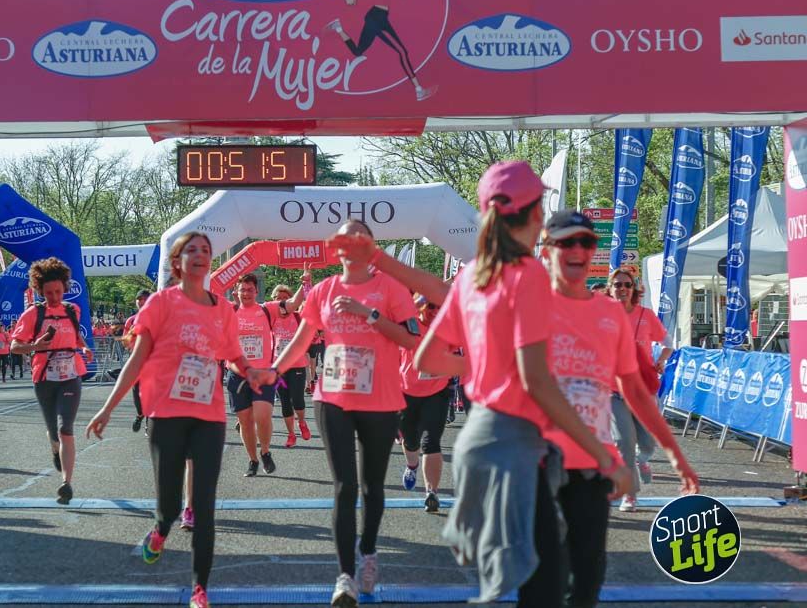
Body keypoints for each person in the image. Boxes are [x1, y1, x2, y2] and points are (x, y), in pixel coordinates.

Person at [413, 160, 631, 607]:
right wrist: (603, 456)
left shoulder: (471, 276)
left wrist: (486, 373)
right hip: (514, 443)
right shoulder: (528, 274)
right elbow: (536, 382)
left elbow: (427, 360)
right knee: (545, 582)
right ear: (536, 214)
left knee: (537, 573)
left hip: (479, 440)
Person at [251, 218, 421, 608]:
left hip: (380, 399)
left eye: (357, 237)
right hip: (333, 398)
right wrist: (274, 370)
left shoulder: (391, 288)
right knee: (344, 487)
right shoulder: (324, 291)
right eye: (343, 239)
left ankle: (371, 554)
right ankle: (345, 576)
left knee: (371, 487)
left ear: (369, 245)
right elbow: (301, 340)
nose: (349, 244)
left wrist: (370, 314)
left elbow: (412, 339)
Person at [541, 210, 698, 607]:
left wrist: (675, 455)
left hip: (593, 465)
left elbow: (636, 390)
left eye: (585, 243)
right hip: (538, 460)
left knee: (589, 572)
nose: (577, 251)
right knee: (544, 573)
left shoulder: (609, 315)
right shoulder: (528, 307)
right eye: (565, 242)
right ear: (547, 250)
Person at [86, 231, 251, 608]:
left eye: (206, 251)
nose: (200, 255)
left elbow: (234, 356)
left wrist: (252, 372)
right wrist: (108, 408)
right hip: (167, 414)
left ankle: (200, 589)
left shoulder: (223, 309)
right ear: (177, 263)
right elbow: (136, 360)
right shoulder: (161, 304)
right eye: (191, 250)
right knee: (171, 507)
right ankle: (160, 530)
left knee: (205, 507)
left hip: (208, 416)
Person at [10, 258, 93, 505]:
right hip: (44, 376)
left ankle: (66, 483)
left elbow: (76, 336)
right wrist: (35, 346)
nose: (55, 296)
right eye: (49, 293)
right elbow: (14, 346)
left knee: (65, 427)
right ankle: (54, 447)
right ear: (40, 291)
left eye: (58, 291)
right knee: (53, 431)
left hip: (71, 375)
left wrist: (85, 348)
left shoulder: (71, 310)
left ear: (64, 288)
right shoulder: (33, 314)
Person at [328, 0, 434, 101]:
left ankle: (338, 28)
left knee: (358, 52)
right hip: (375, 17)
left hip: (381, 17)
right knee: (402, 51)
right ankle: (418, 90)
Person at [607, 267, 673, 511]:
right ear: (610, 288)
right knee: (623, 441)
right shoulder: (601, 315)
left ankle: (642, 459)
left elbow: (668, 342)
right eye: (617, 285)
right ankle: (630, 495)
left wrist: (661, 360)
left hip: (642, 390)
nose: (622, 289)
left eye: (627, 285)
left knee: (647, 443)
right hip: (613, 391)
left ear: (633, 289)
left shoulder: (646, 315)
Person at [398, 294, 451, 513]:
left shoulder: (448, 325)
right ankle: (412, 465)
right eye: (431, 306)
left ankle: (432, 492)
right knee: (410, 440)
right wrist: (421, 300)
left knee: (432, 442)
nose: (435, 311)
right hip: (406, 391)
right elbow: (397, 314)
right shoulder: (410, 323)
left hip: (437, 391)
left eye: (439, 307)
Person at [226, 274, 279, 477]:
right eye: (242, 290)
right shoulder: (229, 313)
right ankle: (253, 459)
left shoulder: (266, 310)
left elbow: (292, 305)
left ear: (256, 291)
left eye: (250, 289)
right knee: (246, 421)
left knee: (262, 415)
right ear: (236, 292)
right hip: (237, 375)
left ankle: (265, 451)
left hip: (263, 373)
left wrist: (305, 283)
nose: (246, 293)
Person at [268, 280, 311, 448]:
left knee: (297, 398)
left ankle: (301, 422)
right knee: (285, 401)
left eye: (285, 298)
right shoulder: (270, 318)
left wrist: (306, 282)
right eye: (279, 299)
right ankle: (291, 434)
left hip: (297, 365)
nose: (282, 302)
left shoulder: (298, 316)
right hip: (278, 367)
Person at [123, 290, 152, 433]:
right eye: (139, 299)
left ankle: (149, 423)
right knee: (136, 392)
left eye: (144, 299)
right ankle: (140, 414)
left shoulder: (157, 317)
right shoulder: (131, 320)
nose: (141, 302)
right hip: (136, 359)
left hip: (152, 361)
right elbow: (125, 342)